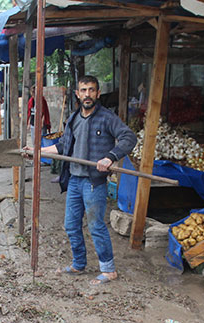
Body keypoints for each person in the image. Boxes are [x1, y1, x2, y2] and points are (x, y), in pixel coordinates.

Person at [36, 75, 137, 285]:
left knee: (95, 226)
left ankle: (108, 270)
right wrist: (38, 151)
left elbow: (129, 137)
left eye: (91, 90)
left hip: (93, 182)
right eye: (83, 90)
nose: (87, 94)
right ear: (77, 94)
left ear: (98, 93)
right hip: (74, 180)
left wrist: (110, 157)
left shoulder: (107, 118)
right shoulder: (73, 119)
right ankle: (78, 264)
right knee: (71, 225)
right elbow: (63, 146)